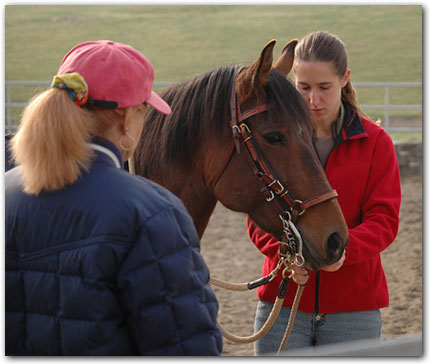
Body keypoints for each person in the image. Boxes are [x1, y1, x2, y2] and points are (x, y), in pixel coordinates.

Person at [5, 40, 222, 356]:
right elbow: (187, 347)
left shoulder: (6, 191)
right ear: (126, 118)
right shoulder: (152, 212)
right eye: (144, 111)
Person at [247, 31, 401, 355]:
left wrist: (341, 251)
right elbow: (256, 214)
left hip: (354, 311)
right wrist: (284, 254)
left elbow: (384, 220)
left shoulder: (376, 144)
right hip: (283, 301)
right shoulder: (274, 141)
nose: (313, 100)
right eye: (303, 88)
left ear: (344, 79)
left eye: (324, 88)